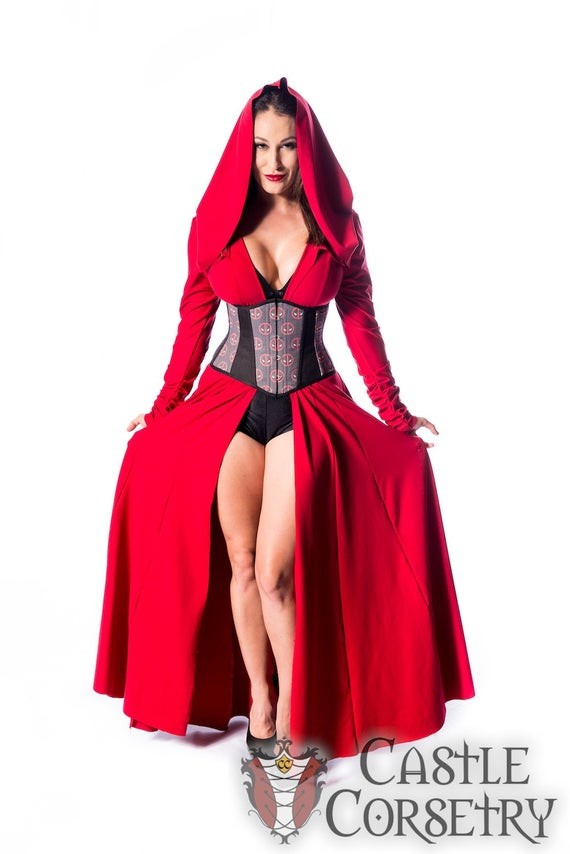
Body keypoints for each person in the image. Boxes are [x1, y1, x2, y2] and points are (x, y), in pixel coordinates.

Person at [93, 77, 475, 759]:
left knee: (275, 572)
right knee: (241, 563)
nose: (274, 161)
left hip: (310, 400)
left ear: (307, 150)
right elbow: (194, 321)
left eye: (287, 146)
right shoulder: (216, 225)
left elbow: (360, 321)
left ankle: (299, 711)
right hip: (230, 403)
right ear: (245, 149)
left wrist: (393, 412)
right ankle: (261, 703)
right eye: (262, 146)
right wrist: (164, 408)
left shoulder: (336, 227)